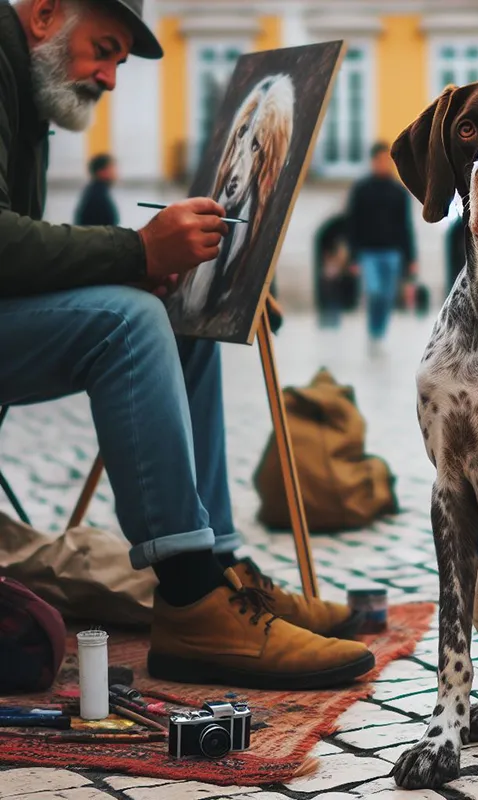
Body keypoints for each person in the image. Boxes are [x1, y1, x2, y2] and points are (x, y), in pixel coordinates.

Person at [0, 0, 373, 690]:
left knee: (173, 316)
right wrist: (136, 249)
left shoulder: (25, 89)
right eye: (105, 49)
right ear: (48, 13)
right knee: (127, 319)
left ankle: (223, 573)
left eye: (116, 61)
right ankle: (191, 597)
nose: (111, 78)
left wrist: (162, 268)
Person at [346, 142, 417, 354]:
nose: (383, 164)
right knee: (374, 291)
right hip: (369, 253)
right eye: (379, 160)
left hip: (392, 253)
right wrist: (353, 257)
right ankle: (374, 329)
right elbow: (353, 224)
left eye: (387, 160)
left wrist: (411, 258)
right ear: (373, 161)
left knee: (387, 296)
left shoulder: (398, 192)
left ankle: (379, 332)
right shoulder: (361, 190)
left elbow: (406, 227)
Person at [74, 152, 118, 226]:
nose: (115, 172)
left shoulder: (94, 191)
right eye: (112, 168)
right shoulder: (98, 195)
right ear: (102, 172)